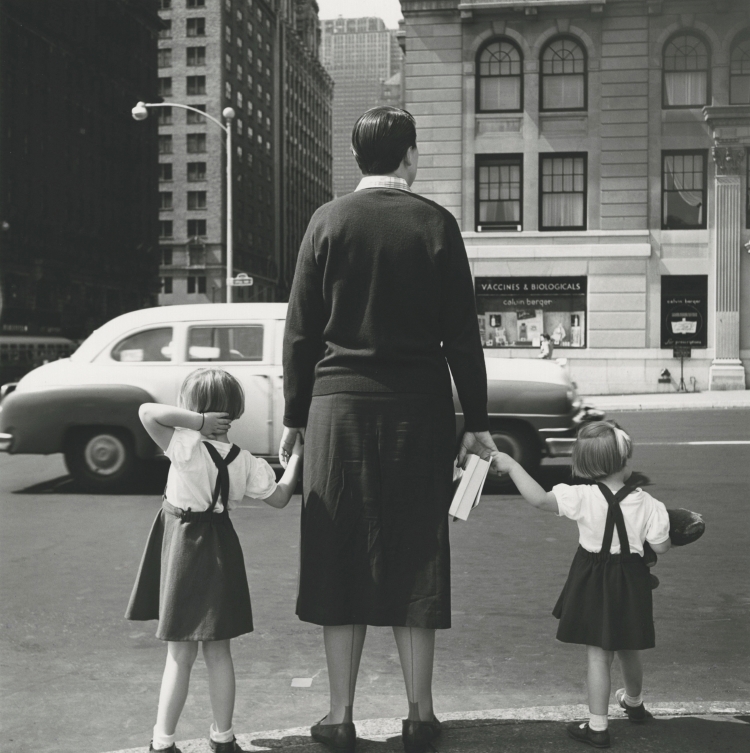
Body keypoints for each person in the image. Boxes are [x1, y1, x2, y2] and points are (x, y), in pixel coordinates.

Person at [280, 106, 496, 753]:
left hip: (336, 409)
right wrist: (476, 423)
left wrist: (294, 418)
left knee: (338, 551)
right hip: (418, 410)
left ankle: (339, 715)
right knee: (415, 554)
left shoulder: (326, 221)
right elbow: (462, 333)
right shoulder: (436, 224)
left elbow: (298, 333)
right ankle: (419, 714)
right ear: (410, 156)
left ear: (355, 158)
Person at [125, 368, 304, 753]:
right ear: (235, 410)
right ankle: (223, 738)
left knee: (179, 654)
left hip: (183, 546)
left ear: (193, 409)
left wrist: (197, 422)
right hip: (221, 545)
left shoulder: (184, 444)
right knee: (220, 652)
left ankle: (163, 741)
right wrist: (296, 459)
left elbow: (145, 411)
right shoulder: (245, 462)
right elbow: (279, 497)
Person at [490, 421, 671, 749]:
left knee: (599, 655)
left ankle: (598, 726)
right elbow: (661, 547)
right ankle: (634, 702)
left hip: (593, 578)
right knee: (629, 646)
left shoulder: (582, 496)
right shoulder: (648, 503)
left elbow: (540, 500)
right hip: (631, 580)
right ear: (623, 459)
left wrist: (514, 466)